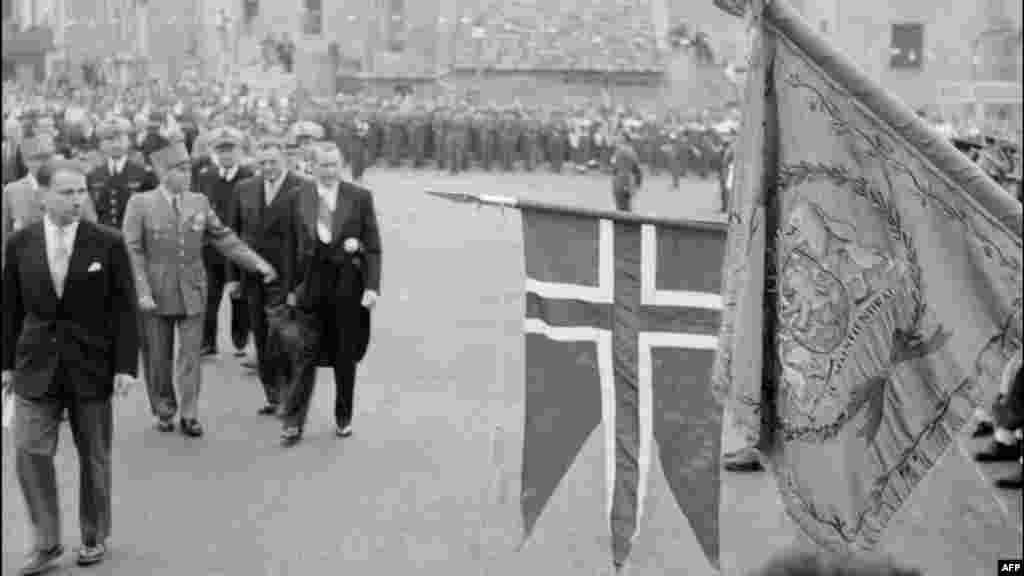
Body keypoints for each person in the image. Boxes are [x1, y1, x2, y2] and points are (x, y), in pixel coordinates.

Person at [2, 158, 139, 573]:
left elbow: (124, 308)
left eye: (82, 191)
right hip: (35, 363)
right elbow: (9, 307)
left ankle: (94, 535)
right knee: (28, 449)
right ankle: (46, 541)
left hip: (91, 364)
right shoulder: (20, 243)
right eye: (67, 192)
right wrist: (6, 364)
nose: (77, 200)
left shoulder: (107, 242)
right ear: (42, 196)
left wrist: (125, 366)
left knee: (94, 455)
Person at [121, 138, 277, 438]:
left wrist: (257, 264)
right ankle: (164, 409)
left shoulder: (199, 202)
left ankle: (189, 414)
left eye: (188, 167)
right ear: (163, 172)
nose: (187, 174)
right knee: (158, 356)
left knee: (190, 356)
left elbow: (224, 238)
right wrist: (142, 290)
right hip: (155, 291)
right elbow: (133, 249)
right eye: (179, 169)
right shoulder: (140, 204)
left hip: (193, 289)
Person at [278, 143, 381, 446]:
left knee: (344, 356)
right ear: (312, 167)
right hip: (311, 287)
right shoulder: (298, 198)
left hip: (348, 287)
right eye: (323, 165)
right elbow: (288, 249)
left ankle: (343, 415)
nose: (329, 171)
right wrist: (288, 290)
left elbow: (373, 246)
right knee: (303, 355)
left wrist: (372, 286)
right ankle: (294, 422)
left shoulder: (359, 198)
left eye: (334, 164)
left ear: (342, 165)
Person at [227, 138, 310, 415]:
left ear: (284, 159)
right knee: (261, 336)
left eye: (272, 161)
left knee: (284, 338)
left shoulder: (302, 186)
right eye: (262, 162)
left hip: (287, 277)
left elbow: (307, 240)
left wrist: (301, 283)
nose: (267, 167)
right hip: (253, 276)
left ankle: (288, 395)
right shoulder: (244, 188)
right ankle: (273, 395)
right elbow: (232, 237)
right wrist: (233, 277)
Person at [196, 127, 255, 356]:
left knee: (239, 294)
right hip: (210, 247)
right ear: (214, 152)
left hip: (238, 245)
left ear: (239, 151)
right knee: (209, 296)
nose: (226, 155)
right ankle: (208, 342)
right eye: (221, 150)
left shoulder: (249, 175)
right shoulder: (206, 176)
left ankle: (240, 341)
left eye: (230, 150)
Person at [3, 135, 98, 271]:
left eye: (48, 157)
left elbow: (92, 225)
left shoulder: (74, 185)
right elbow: (5, 236)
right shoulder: (12, 191)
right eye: (36, 158)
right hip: (28, 268)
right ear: (25, 161)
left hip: (72, 263)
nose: (43, 163)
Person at [87, 117, 158, 229]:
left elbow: (152, 212)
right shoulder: (93, 176)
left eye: (120, 139)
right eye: (110, 140)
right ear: (101, 144)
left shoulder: (144, 174)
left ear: (129, 142)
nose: (115, 145)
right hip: (104, 237)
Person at [611, 132, 642, 212]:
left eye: (619, 138)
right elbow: (637, 170)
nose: (617, 140)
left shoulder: (624, 152)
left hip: (623, 184)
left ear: (624, 140)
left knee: (623, 210)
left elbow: (616, 169)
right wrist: (637, 185)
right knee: (625, 209)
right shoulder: (629, 151)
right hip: (624, 184)